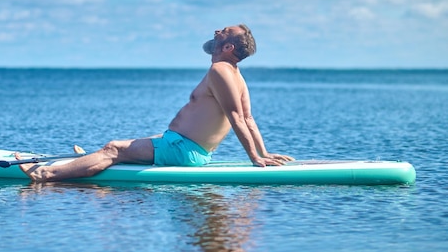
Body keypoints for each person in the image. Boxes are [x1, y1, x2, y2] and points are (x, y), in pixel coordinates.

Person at [16, 24, 294, 182]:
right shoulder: (236, 75)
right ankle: (87, 160)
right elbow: (248, 118)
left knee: (113, 148)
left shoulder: (220, 70)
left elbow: (237, 118)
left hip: (182, 149)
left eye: (224, 31)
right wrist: (263, 152)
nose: (217, 30)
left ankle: (45, 174)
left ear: (229, 47)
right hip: (183, 145)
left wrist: (256, 159)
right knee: (129, 144)